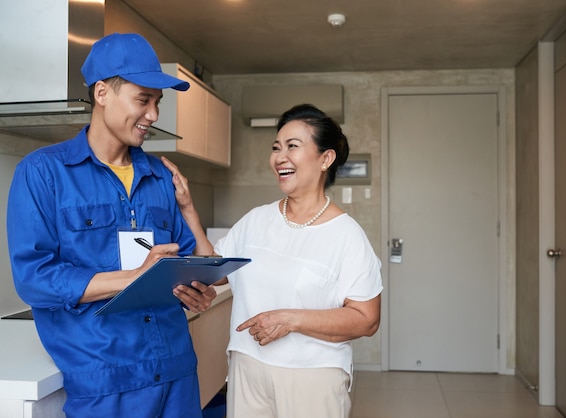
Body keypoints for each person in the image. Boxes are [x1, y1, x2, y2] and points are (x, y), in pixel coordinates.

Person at [6, 33, 218, 418]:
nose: (153, 115)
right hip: (105, 383)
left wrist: (195, 289)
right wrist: (134, 277)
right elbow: (34, 279)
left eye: (158, 102)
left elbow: (188, 263)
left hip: (177, 371)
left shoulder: (161, 176)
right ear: (102, 93)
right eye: (143, 100)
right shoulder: (43, 172)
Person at [164, 103, 383, 418]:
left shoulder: (347, 236)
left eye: (293, 146)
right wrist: (188, 210)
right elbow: (216, 269)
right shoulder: (257, 220)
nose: (280, 157)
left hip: (312, 376)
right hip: (246, 366)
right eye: (276, 147)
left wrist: (291, 319)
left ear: (325, 158)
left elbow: (366, 319)